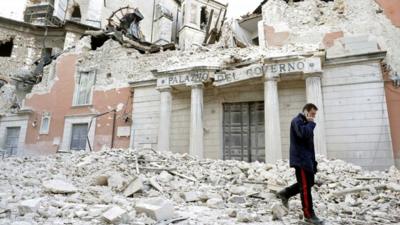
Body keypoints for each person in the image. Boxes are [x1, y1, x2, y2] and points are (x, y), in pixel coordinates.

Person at [276, 103, 324, 225]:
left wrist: (313, 163)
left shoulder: (306, 123)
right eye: (312, 114)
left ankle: (285, 193)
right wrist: (311, 123)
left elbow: (309, 145)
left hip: (308, 161)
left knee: (309, 183)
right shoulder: (296, 121)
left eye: (314, 114)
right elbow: (302, 135)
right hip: (301, 160)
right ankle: (309, 215)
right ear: (306, 112)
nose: (313, 117)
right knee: (305, 187)